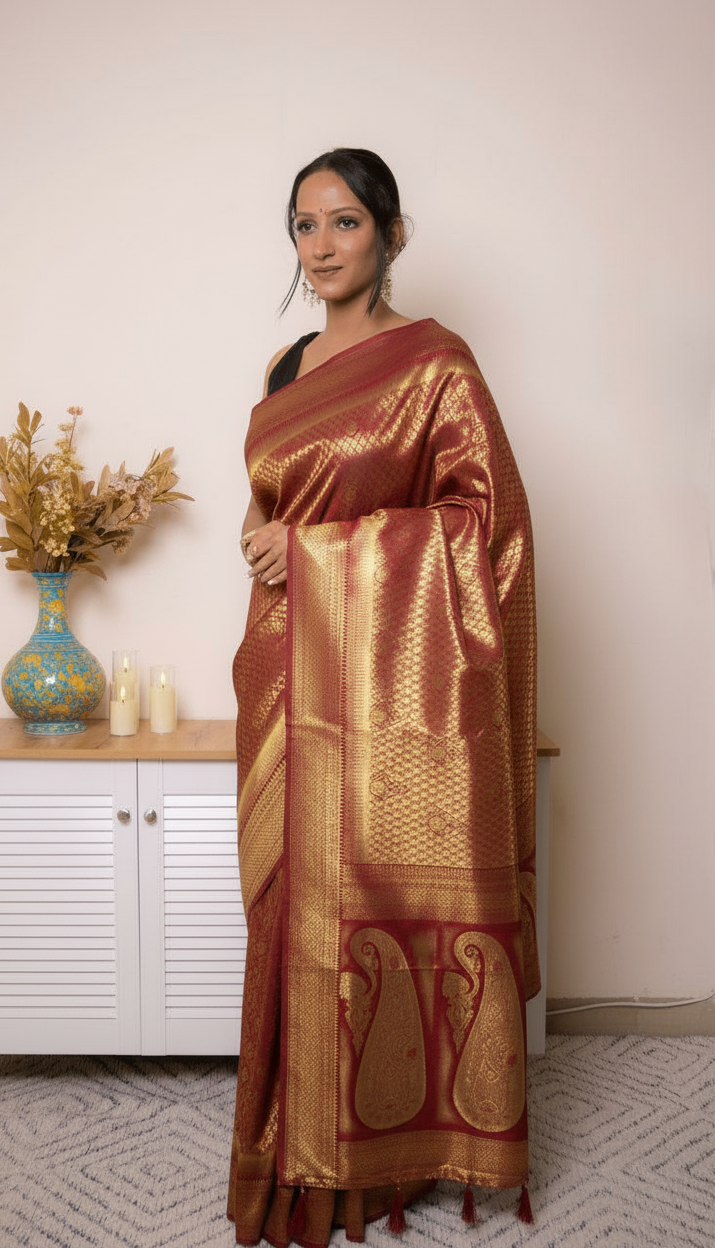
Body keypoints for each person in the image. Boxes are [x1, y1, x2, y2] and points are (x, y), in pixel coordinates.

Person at [228, 148, 539, 1247]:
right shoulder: (284, 370)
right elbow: (277, 516)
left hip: (387, 693)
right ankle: (287, 1139)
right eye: (303, 225)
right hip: (283, 669)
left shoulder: (437, 366)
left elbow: (481, 525)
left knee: (375, 907)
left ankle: (377, 1154)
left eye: (345, 222)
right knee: (287, 910)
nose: (320, 246)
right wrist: (271, 549)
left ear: (392, 236)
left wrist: (312, 554)